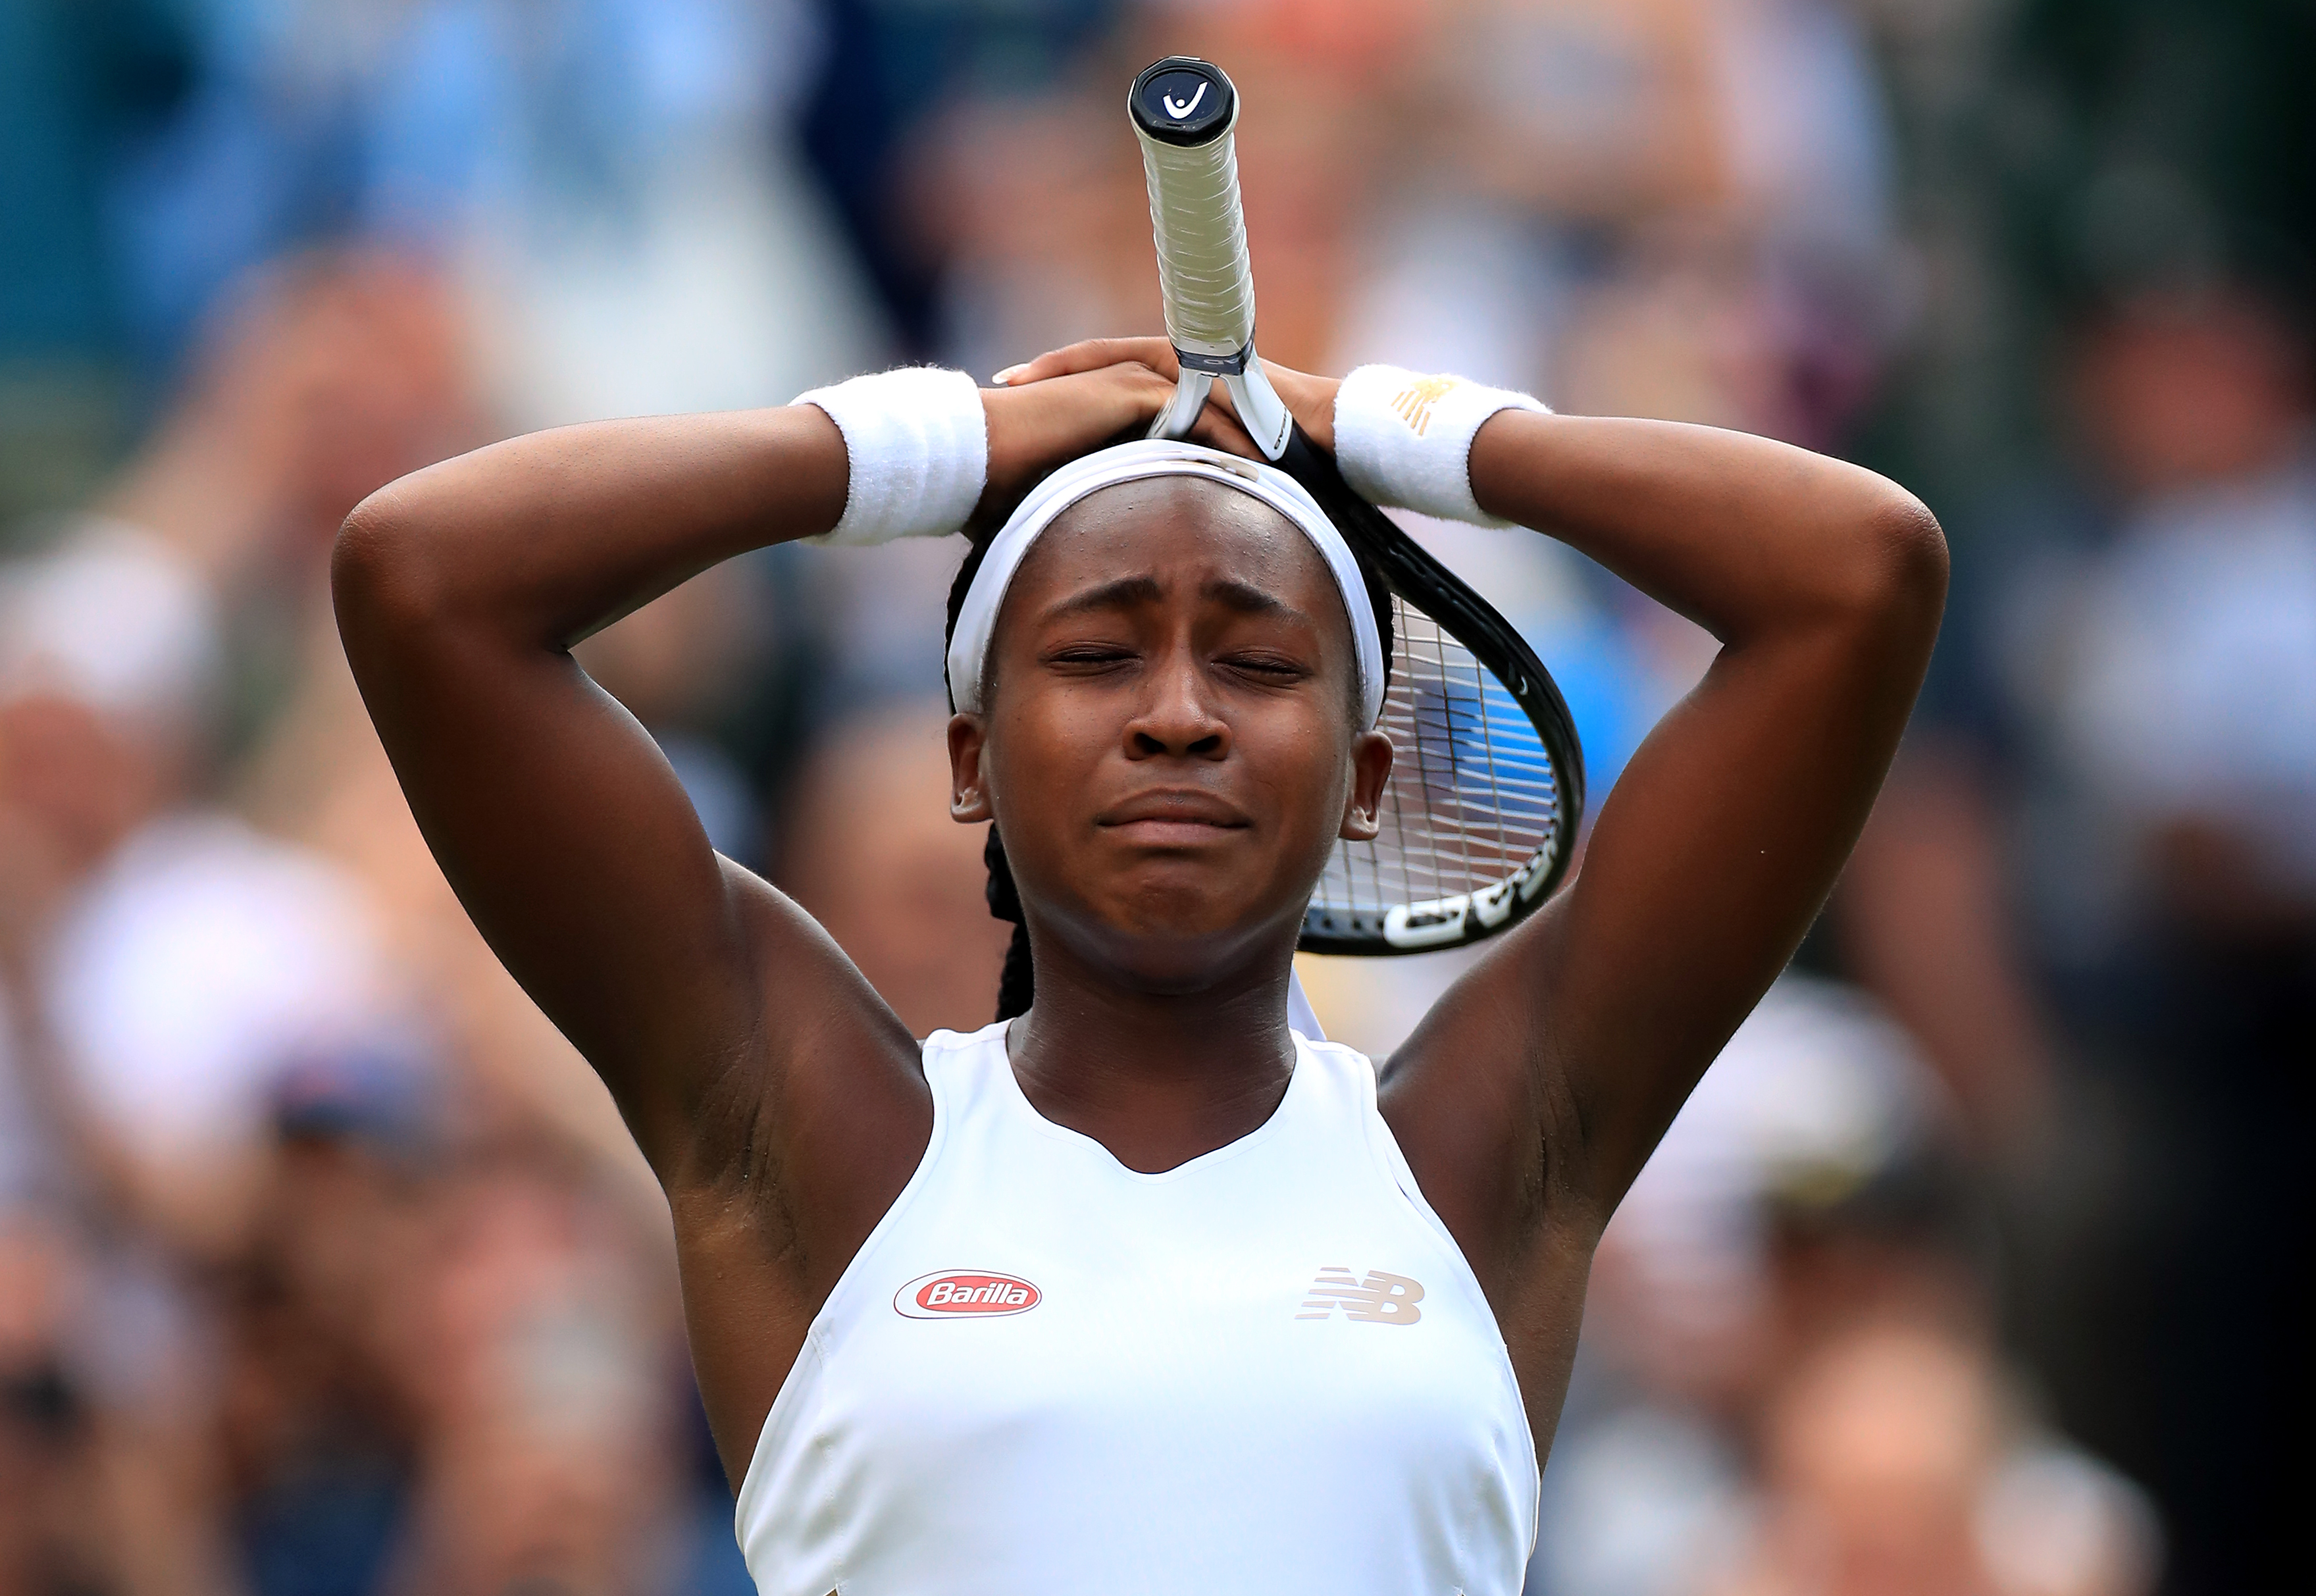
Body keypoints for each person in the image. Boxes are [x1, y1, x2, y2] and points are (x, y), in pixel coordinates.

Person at [331, 335, 1944, 1593]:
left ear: (1363, 778)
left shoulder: (1481, 1153)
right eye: (1098, 653)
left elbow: (1858, 575)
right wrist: (938, 442)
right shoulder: (824, 1142)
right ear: (969, 757)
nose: (1176, 712)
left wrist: (1379, 428)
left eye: (1255, 661)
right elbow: (424, 579)